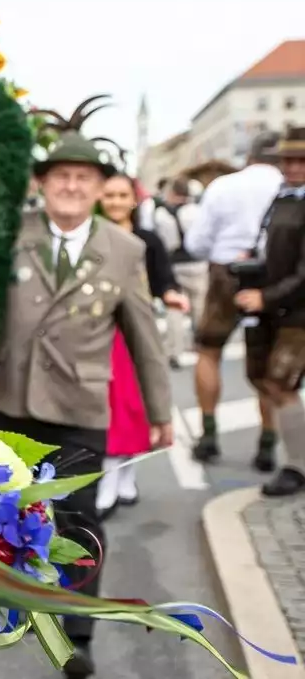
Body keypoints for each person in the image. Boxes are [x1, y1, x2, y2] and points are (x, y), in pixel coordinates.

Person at [0, 128, 172, 679]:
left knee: (79, 517)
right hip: (11, 399)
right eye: (61, 177)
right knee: (6, 509)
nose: (71, 186)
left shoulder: (125, 250)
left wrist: (162, 413)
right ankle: (14, 604)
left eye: (84, 178)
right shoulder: (4, 231)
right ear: (42, 184)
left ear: (100, 187)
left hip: (79, 406)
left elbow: (145, 336)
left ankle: (78, 632)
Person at [184, 132, 283, 471]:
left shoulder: (224, 186)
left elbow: (196, 242)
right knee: (268, 362)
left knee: (208, 352)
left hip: (225, 273)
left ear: (249, 156)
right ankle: (267, 444)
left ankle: (208, 435)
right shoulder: (289, 187)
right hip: (274, 278)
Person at [94, 172, 189, 515]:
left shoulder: (148, 239)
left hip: (139, 332)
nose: (116, 202)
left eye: (122, 195)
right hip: (101, 331)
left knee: (135, 408)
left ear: (134, 199)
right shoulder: (91, 236)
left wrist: (172, 294)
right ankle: (108, 477)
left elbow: (164, 278)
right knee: (111, 407)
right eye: (109, 195)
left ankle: (126, 474)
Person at [234, 129, 305, 497]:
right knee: (262, 378)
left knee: (280, 382)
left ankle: (297, 466)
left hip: (297, 313)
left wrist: (267, 296)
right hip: (274, 307)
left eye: (300, 161)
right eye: (287, 160)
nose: (292, 167)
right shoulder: (282, 197)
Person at [152, 177, 205, 367]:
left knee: (174, 308)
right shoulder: (196, 211)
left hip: (173, 262)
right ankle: (200, 343)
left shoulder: (160, 214)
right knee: (199, 306)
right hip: (197, 262)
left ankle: (174, 350)